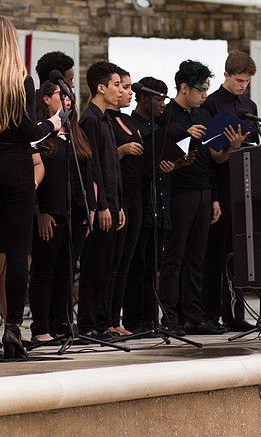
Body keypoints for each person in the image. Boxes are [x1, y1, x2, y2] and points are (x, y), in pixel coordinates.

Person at [0, 16, 60, 358]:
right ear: (10, 42)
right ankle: (14, 330)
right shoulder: (21, 80)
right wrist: (54, 121)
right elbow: (29, 133)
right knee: (17, 252)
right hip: (16, 167)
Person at [158, 60, 224, 336]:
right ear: (184, 88)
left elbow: (213, 159)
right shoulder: (166, 115)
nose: (205, 95)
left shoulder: (203, 116)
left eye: (208, 89)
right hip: (179, 191)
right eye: (201, 90)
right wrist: (185, 136)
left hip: (202, 189)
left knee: (198, 256)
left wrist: (214, 198)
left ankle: (194, 315)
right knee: (175, 256)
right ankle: (170, 317)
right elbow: (160, 152)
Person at [29, 80, 94, 343]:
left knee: (66, 270)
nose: (68, 100)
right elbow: (32, 173)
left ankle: (62, 323)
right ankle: (41, 327)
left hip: (74, 211)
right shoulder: (40, 132)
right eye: (61, 95)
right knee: (45, 269)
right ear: (45, 99)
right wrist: (39, 211)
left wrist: (88, 209)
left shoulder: (75, 133)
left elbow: (86, 174)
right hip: (49, 210)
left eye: (70, 96)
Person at [201, 50, 256, 332]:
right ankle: (211, 312)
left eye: (246, 81)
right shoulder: (212, 104)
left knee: (239, 254)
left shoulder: (249, 105)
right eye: (238, 80)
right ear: (225, 75)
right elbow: (211, 154)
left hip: (243, 184)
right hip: (220, 183)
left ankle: (235, 312)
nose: (242, 85)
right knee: (216, 253)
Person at [77, 60, 126, 340]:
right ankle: (87, 323)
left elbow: (112, 168)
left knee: (108, 266)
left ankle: (103, 320)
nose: (120, 91)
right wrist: (103, 205)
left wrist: (118, 204)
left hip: (113, 202)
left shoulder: (107, 120)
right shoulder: (90, 120)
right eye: (116, 85)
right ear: (101, 87)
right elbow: (92, 167)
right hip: (101, 204)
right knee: (95, 265)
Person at [122, 77, 174, 333]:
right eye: (157, 98)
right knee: (137, 264)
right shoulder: (132, 125)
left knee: (154, 265)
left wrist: (177, 163)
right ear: (143, 97)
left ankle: (151, 318)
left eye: (165, 98)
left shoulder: (160, 126)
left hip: (160, 200)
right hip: (140, 200)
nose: (162, 104)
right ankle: (134, 319)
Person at [108, 69, 144, 336]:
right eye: (123, 86)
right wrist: (122, 151)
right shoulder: (103, 120)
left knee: (126, 262)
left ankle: (116, 319)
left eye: (128, 87)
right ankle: (106, 319)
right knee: (112, 260)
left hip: (136, 194)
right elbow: (101, 161)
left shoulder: (129, 121)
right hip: (117, 195)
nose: (129, 92)